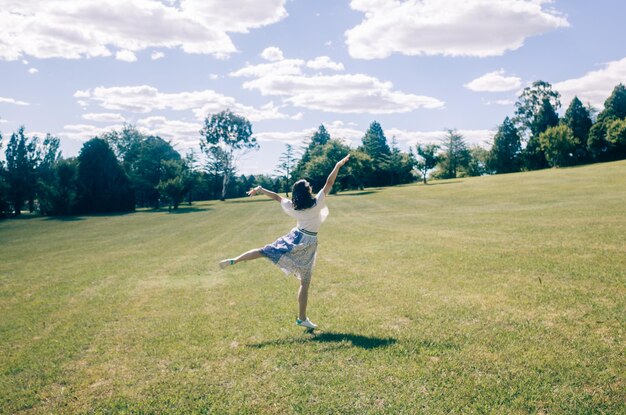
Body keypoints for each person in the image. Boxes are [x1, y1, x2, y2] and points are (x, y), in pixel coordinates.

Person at [219, 154, 351, 329]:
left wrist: (260, 188)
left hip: (294, 236)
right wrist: (337, 165)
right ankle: (302, 318)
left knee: (263, 251)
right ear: (308, 191)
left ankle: (234, 260)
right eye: (309, 186)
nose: (311, 187)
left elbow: (276, 197)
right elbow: (329, 183)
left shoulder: (292, 206)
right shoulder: (317, 203)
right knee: (305, 283)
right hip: (308, 242)